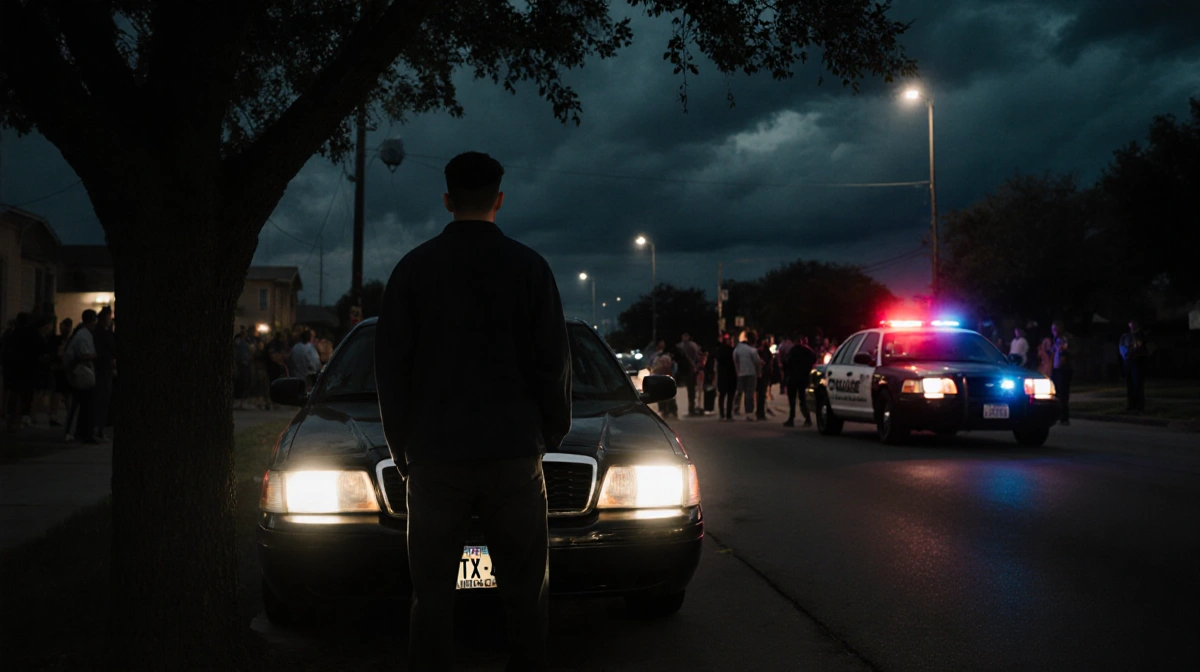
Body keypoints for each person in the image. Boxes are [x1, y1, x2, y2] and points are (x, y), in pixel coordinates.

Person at [374, 151, 570, 671]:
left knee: (432, 594)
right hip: (512, 453)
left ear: (447, 199)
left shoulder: (413, 269)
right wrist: (547, 434)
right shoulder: (531, 269)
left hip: (436, 456)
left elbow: (391, 370)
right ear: (499, 200)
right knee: (526, 592)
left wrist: (402, 446)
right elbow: (554, 363)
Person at [62, 310, 99, 444]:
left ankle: (76, 431)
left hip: (75, 371)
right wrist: (95, 356)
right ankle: (75, 432)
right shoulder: (84, 335)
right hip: (80, 372)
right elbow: (84, 355)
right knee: (79, 403)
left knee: (79, 403)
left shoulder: (80, 333)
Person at [92, 307, 116, 442]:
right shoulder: (102, 333)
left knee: (102, 401)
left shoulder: (99, 332)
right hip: (102, 369)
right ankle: (98, 429)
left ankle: (98, 428)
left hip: (102, 369)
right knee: (102, 400)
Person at [784, 336, 817, 427]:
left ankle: (792, 418)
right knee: (802, 399)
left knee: (792, 399)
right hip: (803, 377)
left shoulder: (793, 350)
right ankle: (807, 418)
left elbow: (787, 362)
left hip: (793, 376)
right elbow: (814, 360)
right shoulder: (807, 351)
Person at [1119, 320, 1149, 413]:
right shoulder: (1125, 336)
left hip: (1138, 362)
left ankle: (1139, 406)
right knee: (1129, 384)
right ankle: (1131, 405)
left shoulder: (1142, 335)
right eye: (1130, 322)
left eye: (1133, 322)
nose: (1131, 324)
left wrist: (1140, 354)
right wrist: (1125, 355)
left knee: (1137, 384)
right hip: (1128, 362)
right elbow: (1121, 346)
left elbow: (1148, 348)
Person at [733, 331, 762, 421]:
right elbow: (757, 362)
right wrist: (759, 373)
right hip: (751, 373)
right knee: (749, 393)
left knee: (739, 391)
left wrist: (737, 371)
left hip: (741, 373)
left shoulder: (737, 349)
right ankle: (749, 412)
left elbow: (735, 361)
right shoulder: (752, 350)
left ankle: (735, 408)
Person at [1050, 321, 1073, 426]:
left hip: (1063, 370)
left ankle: (1065, 417)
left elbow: (1064, 353)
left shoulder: (1063, 340)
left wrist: (1061, 365)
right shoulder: (1055, 341)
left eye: (1055, 329)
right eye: (1053, 329)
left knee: (1063, 394)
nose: (1053, 331)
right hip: (1057, 369)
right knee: (1057, 393)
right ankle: (1059, 416)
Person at [676, 333, 701, 415]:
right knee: (691, 389)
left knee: (691, 389)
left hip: (685, 370)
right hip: (688, 369)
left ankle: (690, 407)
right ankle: (691, 408)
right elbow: (697, 357)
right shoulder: (692, 345)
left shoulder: (680, 346)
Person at [716, 332, 736, 421]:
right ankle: (728, 414)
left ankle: (721, 414)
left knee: (722, 395)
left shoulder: (719, 350)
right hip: (731, 375)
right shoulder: (732, 350)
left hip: (722, 375)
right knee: (730, 395)